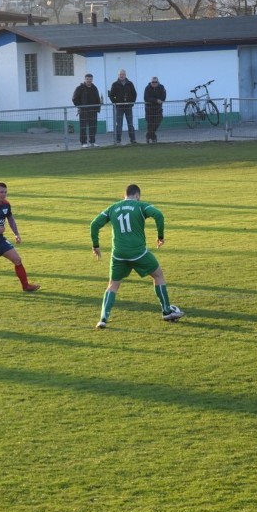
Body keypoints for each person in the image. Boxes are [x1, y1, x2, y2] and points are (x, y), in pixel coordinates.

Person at [90, 183, 184, 329]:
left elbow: (94, 224)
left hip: (118, 255)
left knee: (113, 285)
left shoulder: (113, 208)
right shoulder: (141, 206)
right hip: (138, 253)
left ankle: (103, 318)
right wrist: (160, 236)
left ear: (124, 195)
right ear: (137, 195)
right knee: (158, 275)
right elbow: (158, 215)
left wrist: (96, 245)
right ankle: (166, 311)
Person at [71, 73, 101, 148]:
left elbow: (98, 99)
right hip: (84, 111)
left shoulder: (94, 88)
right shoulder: (80, 88)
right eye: (87, 79)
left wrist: (98, 108)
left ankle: (92, 142)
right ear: (85, 79)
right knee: (83, 127)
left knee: (93, 127)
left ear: (92, 80)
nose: (89, 81)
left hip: (93, 111)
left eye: (90, 79)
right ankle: (83, 142)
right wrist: (80, 107)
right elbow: (74, 99)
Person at [108, 69, 137, 145]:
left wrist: (131, 103)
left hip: (128, 107)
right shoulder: (114, 84)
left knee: (130, 124)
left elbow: (134, 94)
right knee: (119, 125)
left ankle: (133, 140)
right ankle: (118, 140)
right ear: (118, 75)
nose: (122, 75)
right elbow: (111, 95)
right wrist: (115, 103)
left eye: (123, 74)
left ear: (125, 75)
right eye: (120, 74)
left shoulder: (130, 84)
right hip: (119, 107)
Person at [143, 76, 166, 144]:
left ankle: (148, 135)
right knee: (150, 124)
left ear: (158, 82)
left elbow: (163, 97)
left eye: (155, 82)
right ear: (151, 82)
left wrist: (159, 100)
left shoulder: (161, 87)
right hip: (149, 109)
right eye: (153, 82)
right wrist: (156, 100)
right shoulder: (147, 88)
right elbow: (146, 98)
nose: (154, 83)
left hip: (158, 109)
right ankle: (153, 138)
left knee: (158, 121)